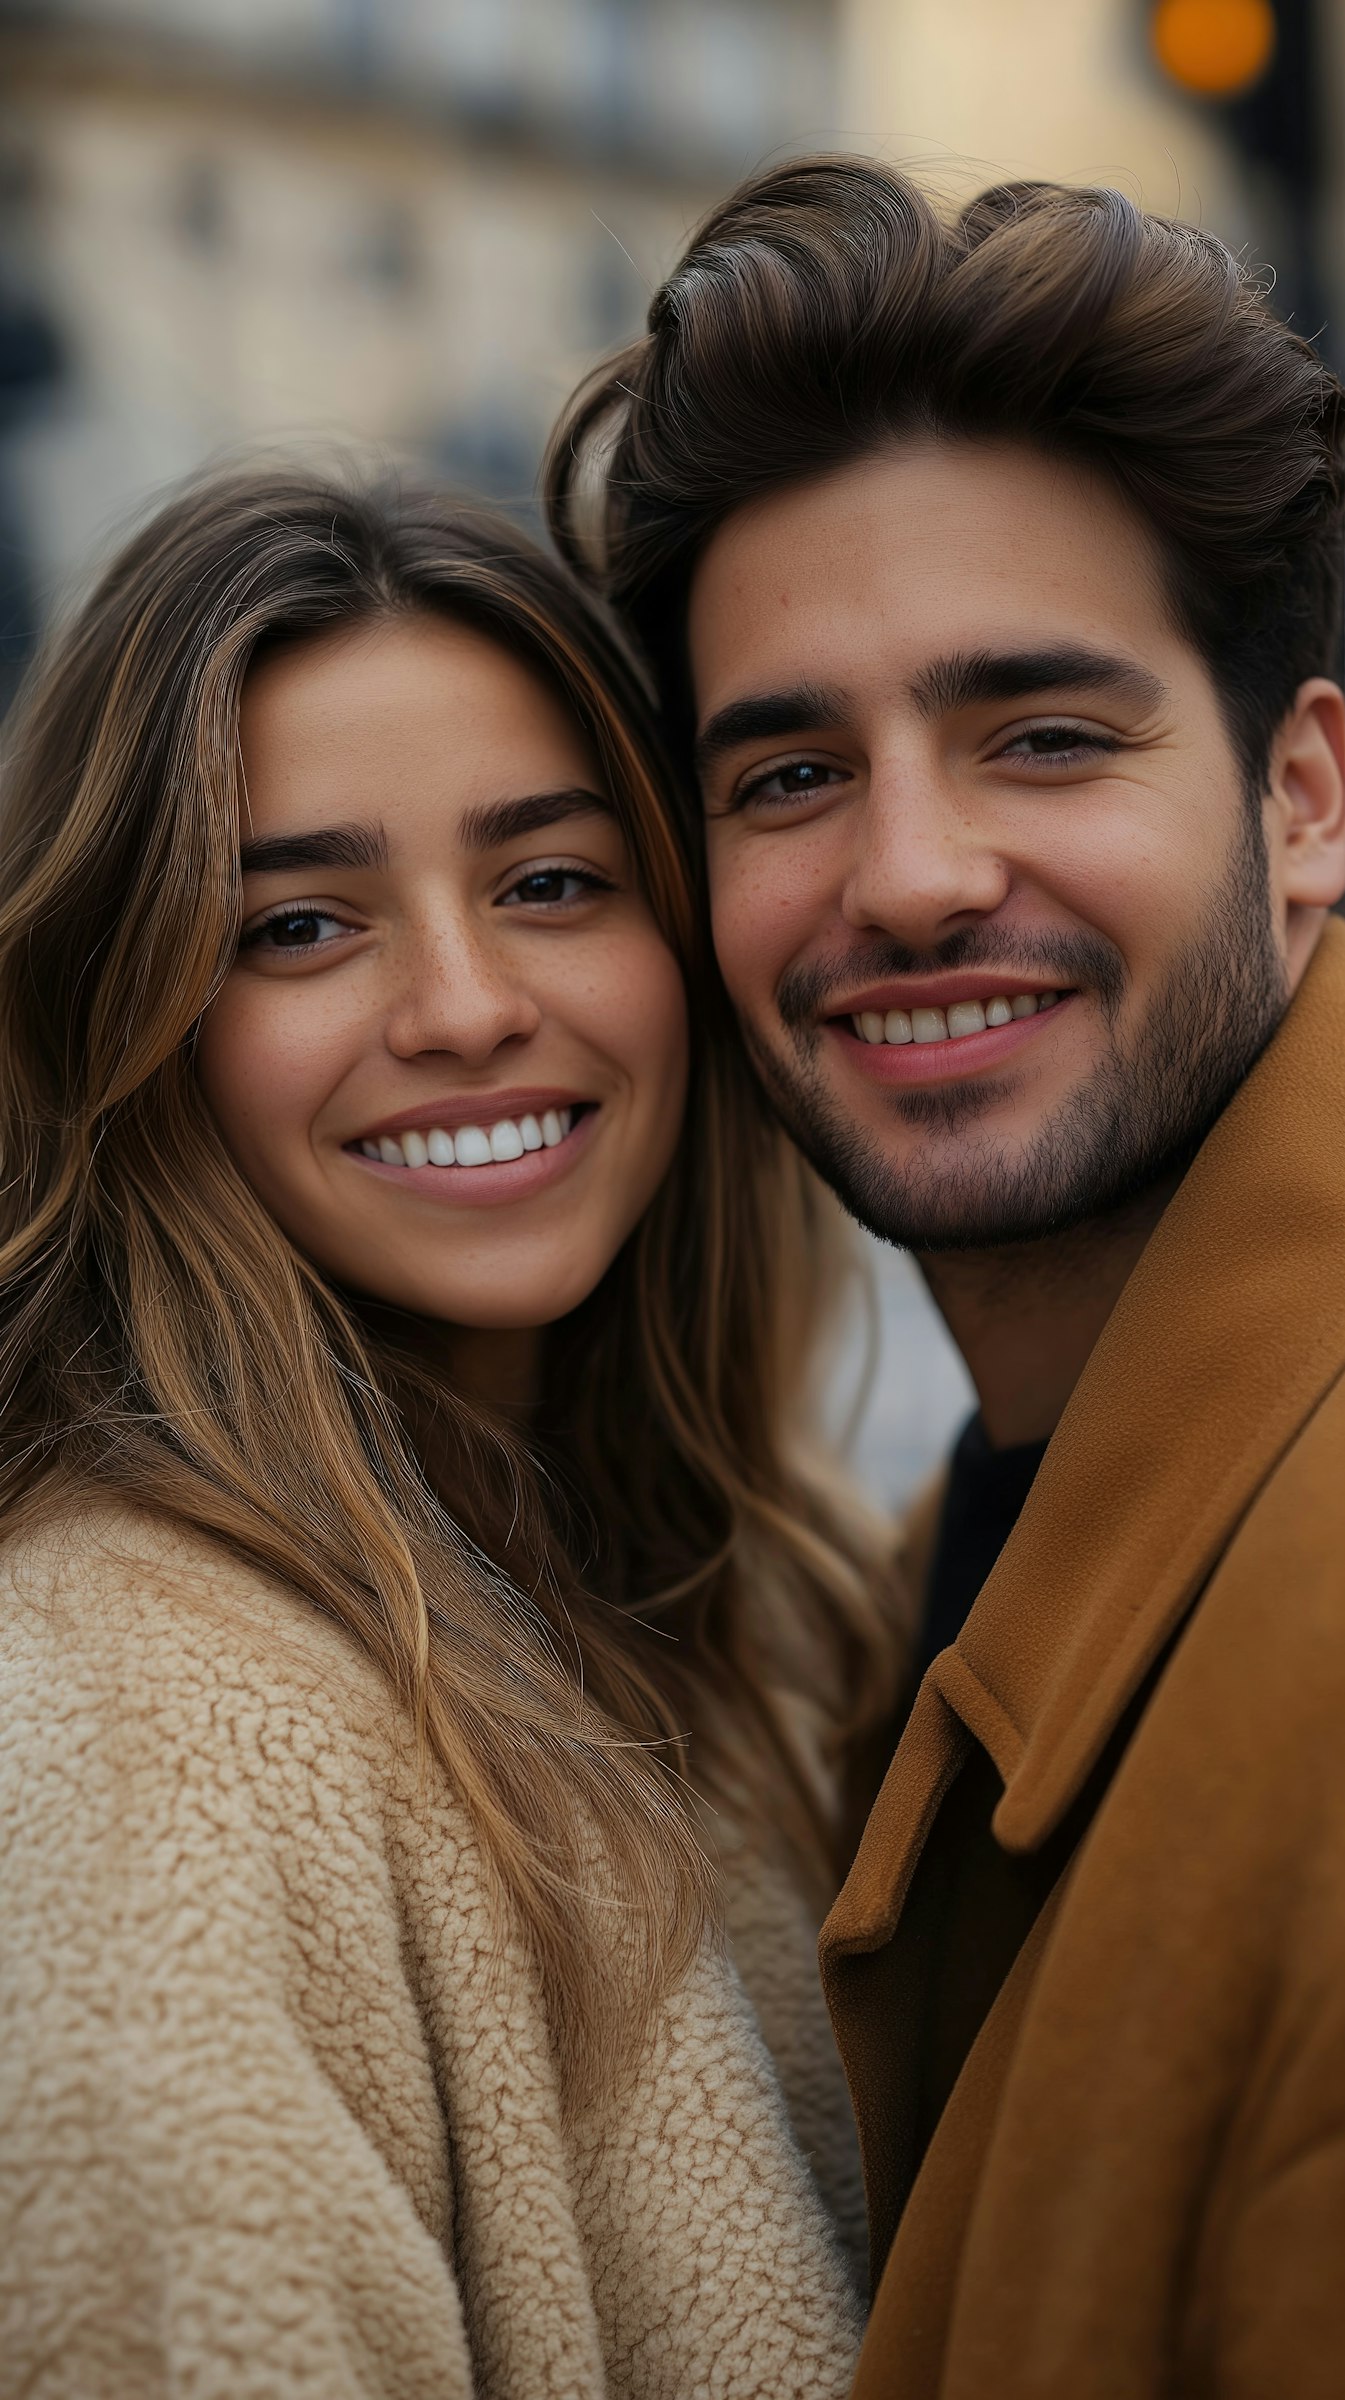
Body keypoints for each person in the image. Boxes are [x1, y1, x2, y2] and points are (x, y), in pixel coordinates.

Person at [547, 159, 1345, 2395]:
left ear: (1304, 799)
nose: (905, 877)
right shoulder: (933, 1576)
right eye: (791, 771)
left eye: (1044, 737)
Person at [0, 467, 899, 2396]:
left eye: (551, 883)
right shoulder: (144, 1747)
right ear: (123, 1010)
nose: (468, 1007)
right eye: (299, 924)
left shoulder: (774, 1602)